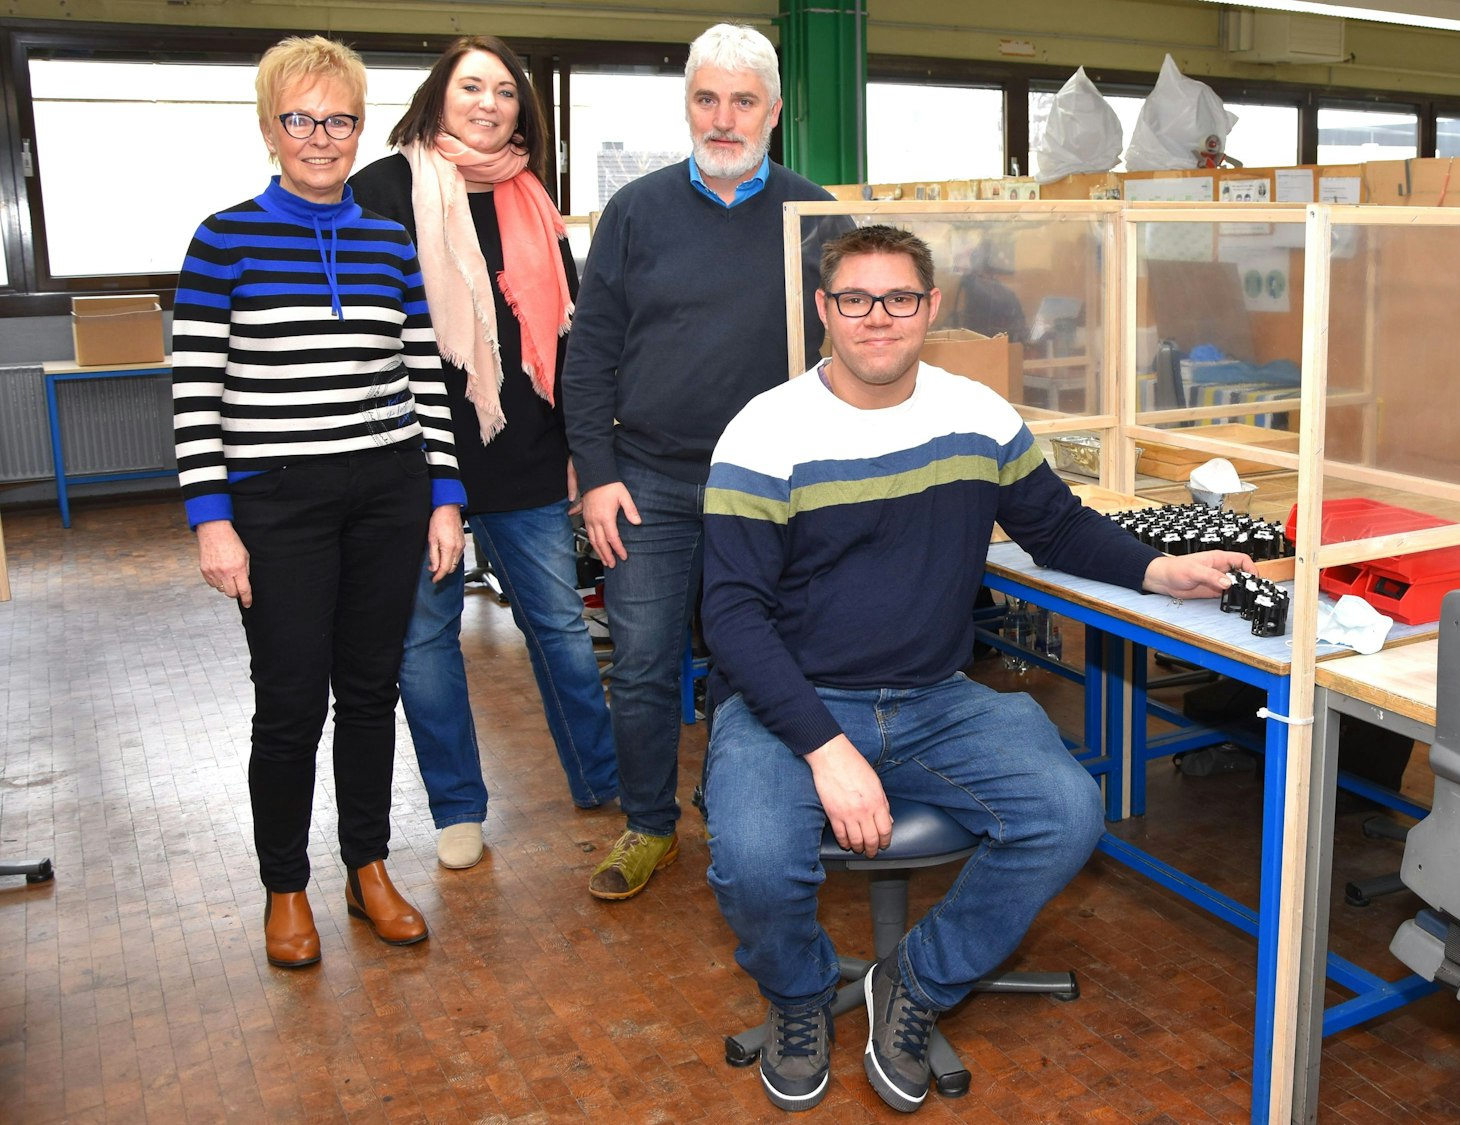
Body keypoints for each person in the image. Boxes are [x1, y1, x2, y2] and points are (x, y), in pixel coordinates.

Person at [700, 225, 1251, 1113]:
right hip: (793, 700)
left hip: (932, 698)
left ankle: (915, 981)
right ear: (823, 310)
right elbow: (729, 614)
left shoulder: (979, 416)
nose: (878, 319)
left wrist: (1160, 571)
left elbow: (1058, 527)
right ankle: (799, 994)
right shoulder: (765, 431)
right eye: (855, 299)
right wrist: (824, 747)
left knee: (1068, 811)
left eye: (900, 299)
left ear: (931, 306)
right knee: (757, 862)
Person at [172, 35, 463, 969]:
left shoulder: (386, 240)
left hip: (387, 491)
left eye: (339, 119)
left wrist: (444, 495)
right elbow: (193, 394)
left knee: (371, 691)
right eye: (301, 119)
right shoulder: (223, 239)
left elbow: (422, 371)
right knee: (291, 702)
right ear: (270, 129)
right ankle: (285, 884)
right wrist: (211, 519)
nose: (322, 137)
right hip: (278, 503)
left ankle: (368, 865)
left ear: (357, 127)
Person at [562, 22, 834, 901]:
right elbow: (591, 350)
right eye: (706, 99)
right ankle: (648, 826)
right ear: (688, 105)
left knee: (753, 660)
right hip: (647, 482)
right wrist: (596, 473)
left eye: (743, 102)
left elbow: (856, 354)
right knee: (641, 661)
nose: (723, 119)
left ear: (775, 112)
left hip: (769, 488)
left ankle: (739, 810)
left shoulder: (815, 216)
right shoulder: (635, 212)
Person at [349, 36, 615, 872]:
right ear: (440, 95)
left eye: (505, 90)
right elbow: (364, 339)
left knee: (563, 632)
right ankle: (457, 808)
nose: (489, 102)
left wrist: (578, 446)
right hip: (414, 461)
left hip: (526, 455)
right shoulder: (382, 190)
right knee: (424, 645)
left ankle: (601, 780)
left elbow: (566, 338)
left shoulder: (532, 197)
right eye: (471, 86)